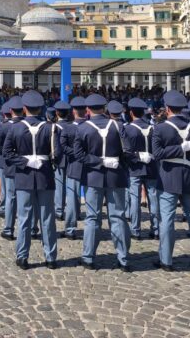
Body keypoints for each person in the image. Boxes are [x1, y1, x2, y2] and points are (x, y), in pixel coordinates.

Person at [3, 90, 60, 270]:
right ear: (41, 108)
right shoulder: (51, 128)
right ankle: (50, 257)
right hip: (45, 176)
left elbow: (6, 153)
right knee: (47, 218)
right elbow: (58, 155)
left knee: (24, 218)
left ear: (24, 108)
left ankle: (22, 257)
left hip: (24, 177)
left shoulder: (15, 128)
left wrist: (25, 161)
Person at [152, 90, 190, 272]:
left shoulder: (160, 128)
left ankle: (166, 260)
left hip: (168, 178)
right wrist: (183, 150)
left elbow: (157, 154)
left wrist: (176, 150)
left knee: (167, 221)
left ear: (167, 108)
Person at [75, 93, 132, 271]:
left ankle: (88, 257)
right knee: (118, 217)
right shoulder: (118, 125)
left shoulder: (83, 128)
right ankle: (123, 258)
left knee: (92, 218)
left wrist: (98, 161)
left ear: (88, 109)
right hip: (116, 175)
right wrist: (118, 163)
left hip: (93, 176)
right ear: (104, 108)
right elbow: (128, 151)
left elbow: (79, 154)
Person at [125, 97, 159, 241]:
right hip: (151, 167)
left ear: (131, 113)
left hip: (135, 168)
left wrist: (137, 157)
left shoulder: (128, 129)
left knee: (135, 199)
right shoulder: (153, 128)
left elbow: (126, 152)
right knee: (153, 199)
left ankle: (135, 230)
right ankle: (156, 229)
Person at [0, 98, 21, 239]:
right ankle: (32, 229)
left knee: (11, 196)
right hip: (26, 166)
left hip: (10, 165)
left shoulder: (3, 127)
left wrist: (9, 155)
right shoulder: (31, 125)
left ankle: (8, 229)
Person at [64, 96, 86, 241]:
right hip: (90, 166)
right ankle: (92, 227)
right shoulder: (91, 126)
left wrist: (75, 154)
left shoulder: (68, 128)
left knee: (72, 199)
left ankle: (70, 229)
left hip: (74, 165)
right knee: (92, 200)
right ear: (86, 111)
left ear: (73, 111)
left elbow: (63, 147)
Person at [52, 101, 71, 223]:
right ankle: (73, 210)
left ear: (57, 113)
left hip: (59, 160)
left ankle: (59, 211)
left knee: (59, 186)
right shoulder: (72, 126)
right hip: (71, 159)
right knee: (72, 187)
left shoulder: (54, 127)